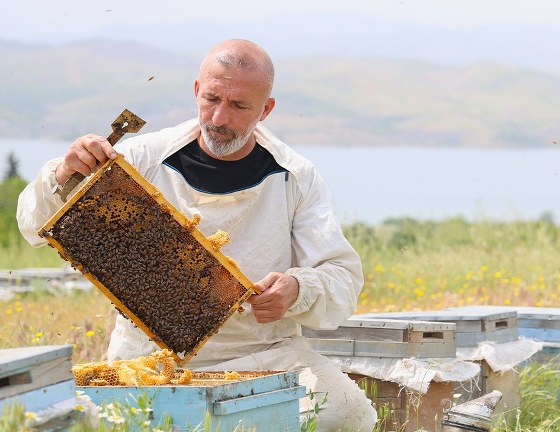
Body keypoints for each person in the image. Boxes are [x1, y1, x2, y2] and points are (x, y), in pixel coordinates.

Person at [17, 39, 377, 431]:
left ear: (266, 109)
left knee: (348, 414)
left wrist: (297, 288)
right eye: (211, 99)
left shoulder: (296, 176)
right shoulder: (139, 159)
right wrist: (64, 173)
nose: (219, 118)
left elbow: (342, 278)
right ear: (195, 91)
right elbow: (33, 223)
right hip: (150, 358)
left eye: (239, 106)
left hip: (261, 354)